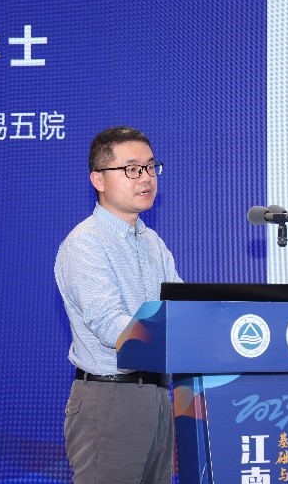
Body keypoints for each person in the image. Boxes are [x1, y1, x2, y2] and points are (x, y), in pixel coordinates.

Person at [54, 126, 182, 484]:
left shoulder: (153, 242)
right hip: (110, 399)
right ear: (98, 179)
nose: (146, 178)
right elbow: (111, 326)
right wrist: (179, 334)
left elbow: (180, 307)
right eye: (131, 169)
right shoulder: (85, 243)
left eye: (151, 167)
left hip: (157, 396)